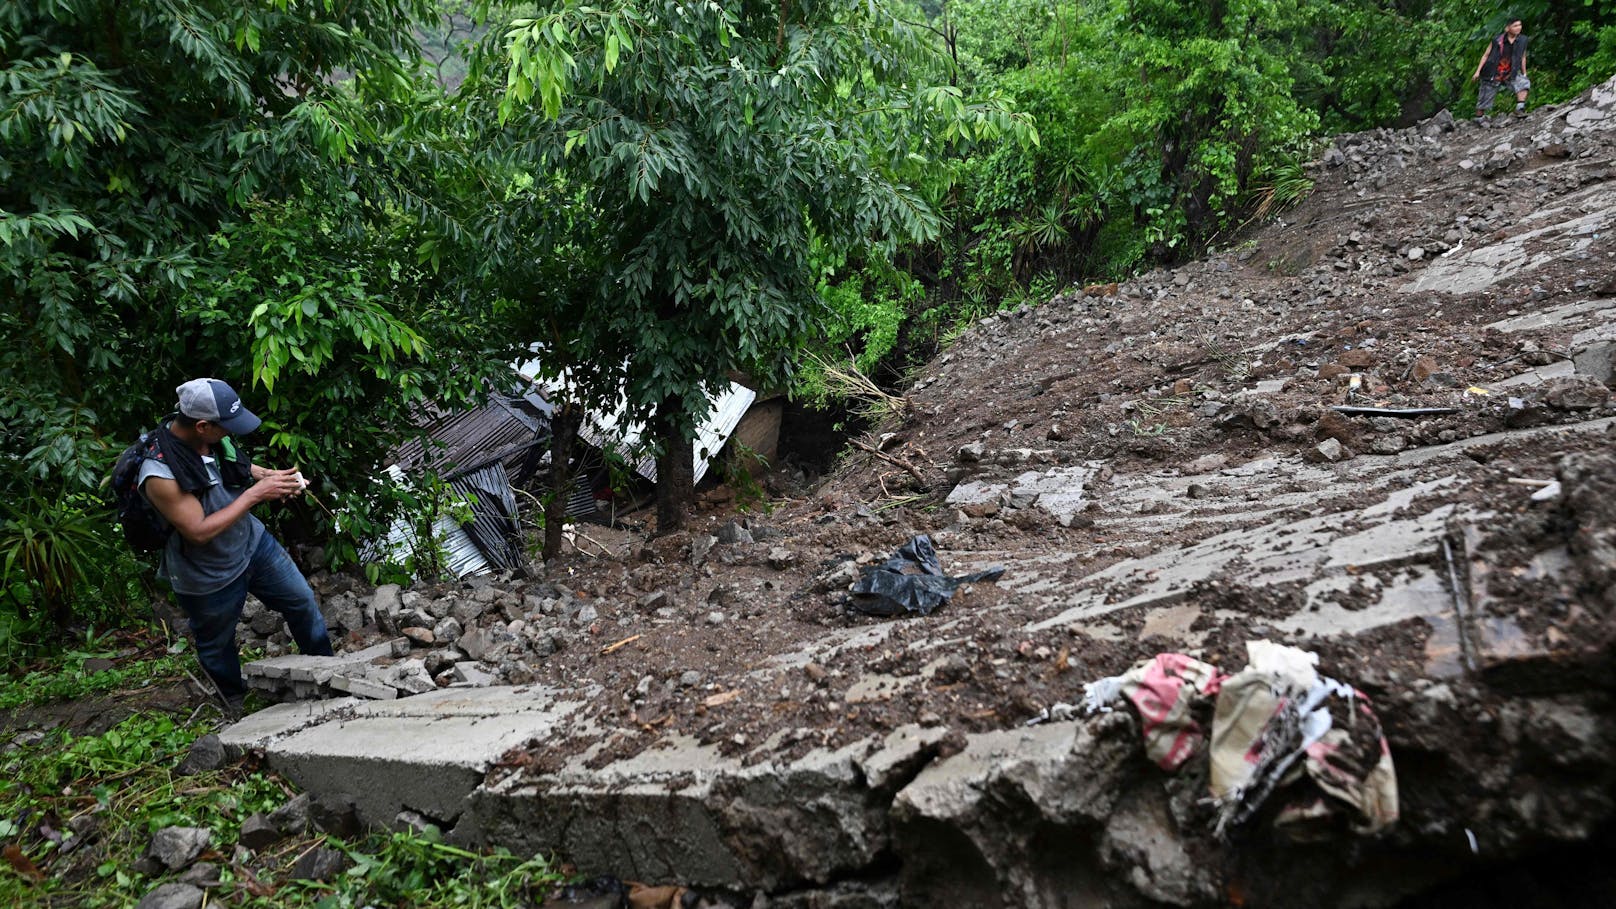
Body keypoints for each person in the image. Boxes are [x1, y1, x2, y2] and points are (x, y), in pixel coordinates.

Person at [139, 378, 332, 708]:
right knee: (216, 644)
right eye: (225, 426)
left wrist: (273, 478)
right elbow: (197, 531)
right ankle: (235, 702)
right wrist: (256, 495)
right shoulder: (159, 473)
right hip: (206, 574)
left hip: (254, 545)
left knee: (301, 600)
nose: (231, 432)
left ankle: (328, 672)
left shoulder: (213, 442)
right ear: (202, 426)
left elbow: (242, 467)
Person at [1472, 18, 1529, 120]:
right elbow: (1486, 55)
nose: (1518, 28)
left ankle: (1520, 109)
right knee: (1485, 98)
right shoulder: (1497, 40)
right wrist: (1477, 71)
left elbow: (1523, 57)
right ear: (1507, 28)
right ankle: (1479, 118)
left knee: (1524, 83)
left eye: (1519, 25)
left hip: (1510, 72)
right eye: (1515, 26)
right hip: (1493, 73)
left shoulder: (1523, 40)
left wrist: (1524, 73)